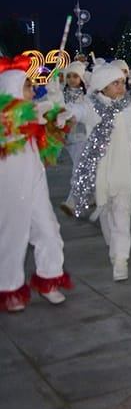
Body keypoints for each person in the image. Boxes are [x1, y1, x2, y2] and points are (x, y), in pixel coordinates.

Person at [67, 63, 131, 281]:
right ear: (102, 86)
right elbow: (74, 112)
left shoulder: (130, 109)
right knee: (107, 213)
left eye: (122, 82)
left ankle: (121, 258)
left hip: (123, 170)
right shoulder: (90, 106)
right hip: (101, 172)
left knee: (123, 213)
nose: (121, 87)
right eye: (115, 83)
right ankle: (114, 248)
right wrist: (61, 110)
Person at [0, 58, 72, 310]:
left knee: (49, 230)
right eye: (28, 86)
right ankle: (9, 288)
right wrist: (37, 116)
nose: (32, 90)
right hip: (10, 188)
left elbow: (48, 125)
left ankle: (49, 279)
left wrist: (57, 117)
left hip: (36, 184)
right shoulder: (5, 120)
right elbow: (15, 128)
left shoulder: (32, 112)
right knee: (13, 236)